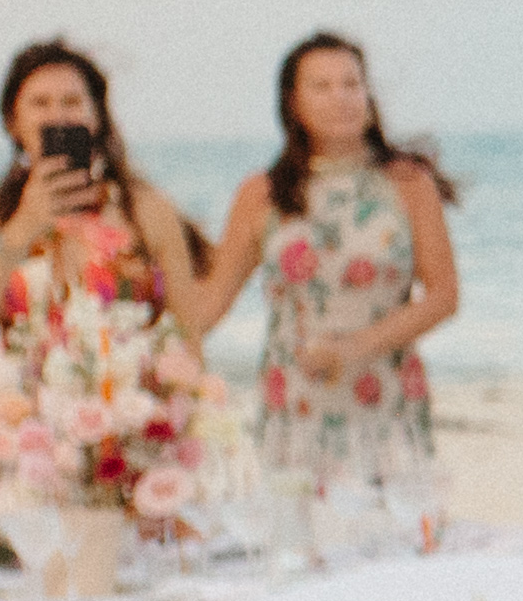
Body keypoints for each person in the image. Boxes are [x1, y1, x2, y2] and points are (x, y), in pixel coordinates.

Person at [191, 31, 461, 490]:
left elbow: (443, 297)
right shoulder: (263, 194)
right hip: (296, 403)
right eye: (322, 86)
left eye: (352, 84)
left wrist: (356, 347)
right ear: (294, 102)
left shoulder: (407, 182)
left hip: (385, 395)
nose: (342, 98)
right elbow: (211, 302)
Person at [0, 39, 205, 347]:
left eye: (71, 102)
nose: (57, 115)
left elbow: (187, 337)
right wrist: (25, 224)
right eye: (40, 103)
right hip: (23, 391)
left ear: (96, 117)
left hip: (127, 391)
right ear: (13, 122)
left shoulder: (146, 210)